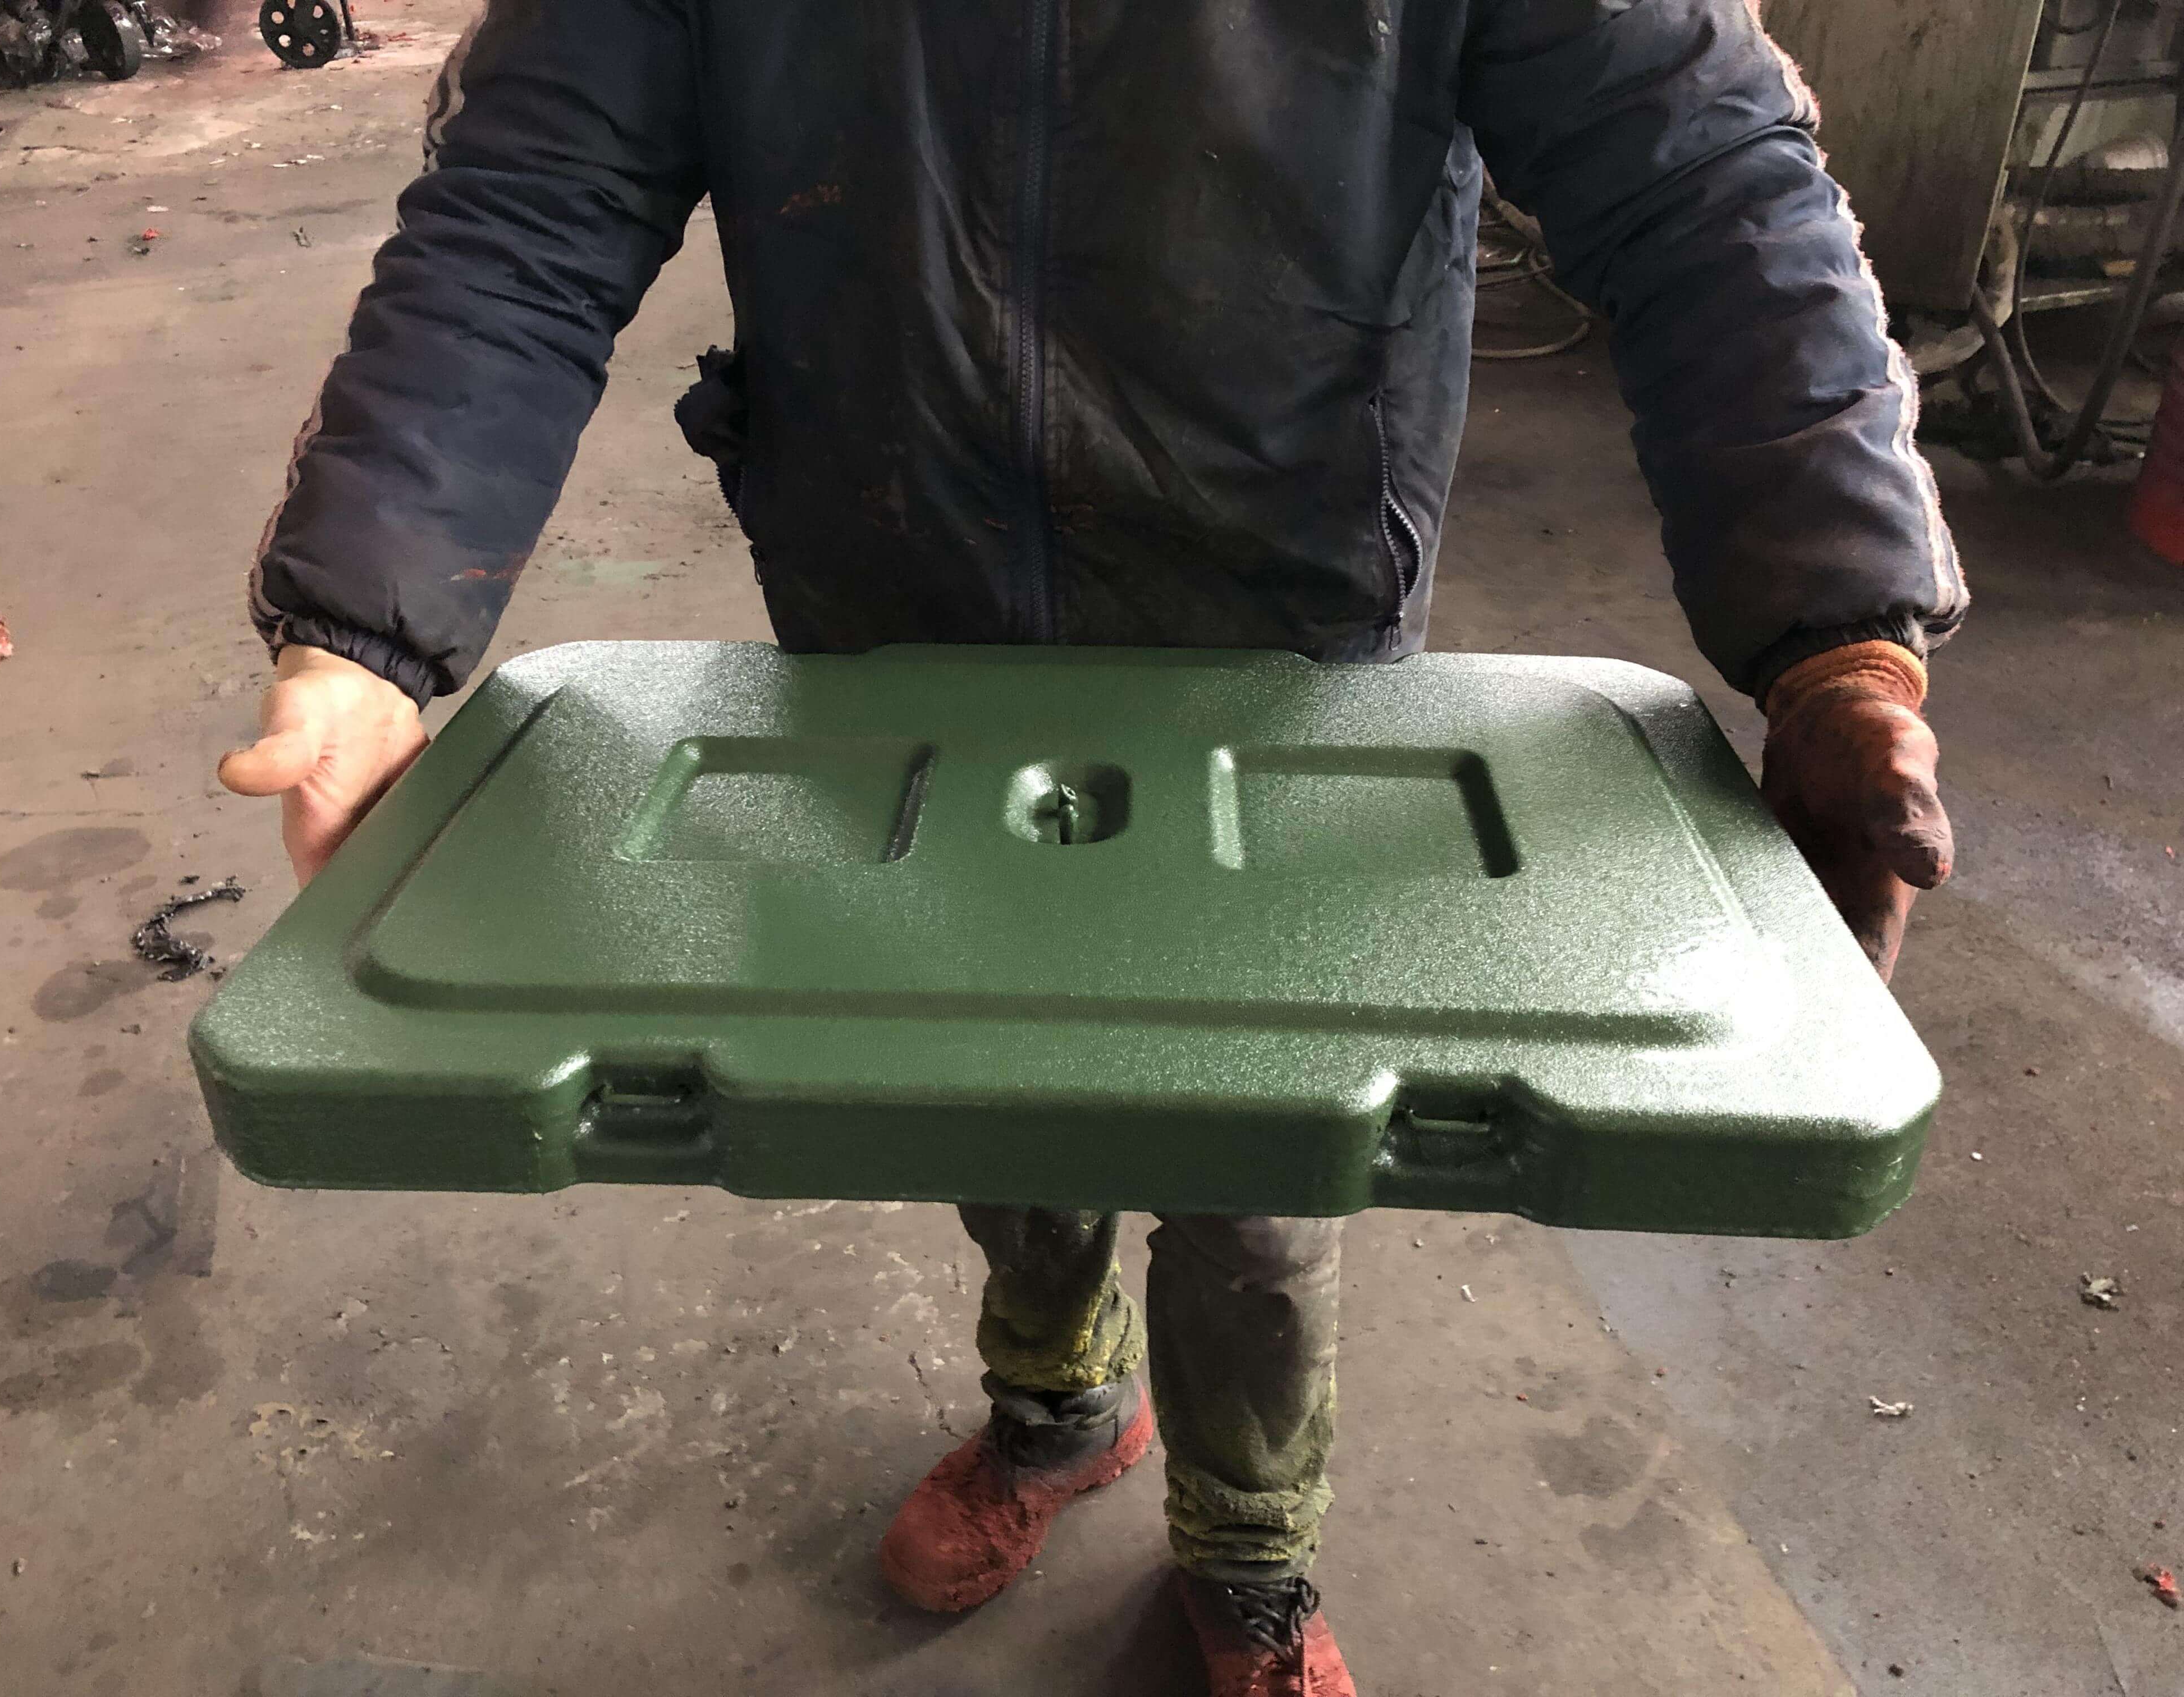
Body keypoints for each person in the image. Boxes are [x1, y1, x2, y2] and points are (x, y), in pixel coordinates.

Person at [218, 2, 1962, 1690]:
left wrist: (1841, 637)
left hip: (1276, 630)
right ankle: (1060, 1404)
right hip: (900, 611)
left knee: (1267, 1155)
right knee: (966, 1078)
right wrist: (365, 627)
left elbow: (1700, 178)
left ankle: (1250, 1551)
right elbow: (528, 208)